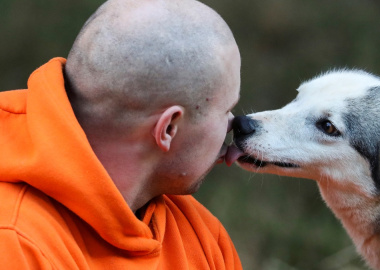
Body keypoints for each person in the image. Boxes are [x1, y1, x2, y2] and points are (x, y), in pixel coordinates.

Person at [0, 0, 242, 268]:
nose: (233, 124)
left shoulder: (201, 237)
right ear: (169, 129)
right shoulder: (16, 244)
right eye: (226, 110)